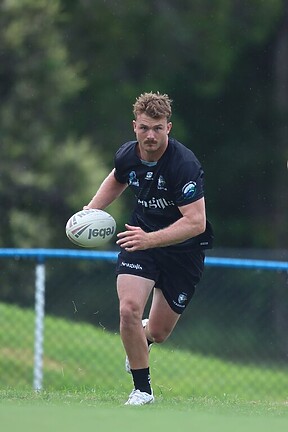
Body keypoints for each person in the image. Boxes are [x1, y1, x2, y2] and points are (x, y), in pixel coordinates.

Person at [84, 91, 213, 405]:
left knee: (158, 332)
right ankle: (142, 390)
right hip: (139, 240)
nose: (150, 135)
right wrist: (89, 211)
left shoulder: (183, 164)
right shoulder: (128, 155)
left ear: (168, 127)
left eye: (157, 128)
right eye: (144, 128)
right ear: (134, 127)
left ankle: (142, 339)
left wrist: (150, 238)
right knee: (128, 308)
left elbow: (196, 222)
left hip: (184, 250)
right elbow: (117, 178)